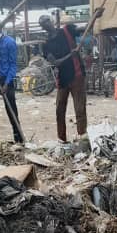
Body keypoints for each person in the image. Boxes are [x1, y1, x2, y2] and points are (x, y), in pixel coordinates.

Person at [40, 14, 87, 142]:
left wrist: (93, 19)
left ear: (52, 21)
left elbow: (83, 29)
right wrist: (70, 55)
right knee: (59, 110)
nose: (46, 24)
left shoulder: (68, 30)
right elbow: (55, 63)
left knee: (80, 109)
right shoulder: (46, 44)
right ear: (42, 27)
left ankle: (82, 138)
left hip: (77, 75)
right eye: (42, 23)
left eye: (46, 21)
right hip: (62, 79)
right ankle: (62, 139)